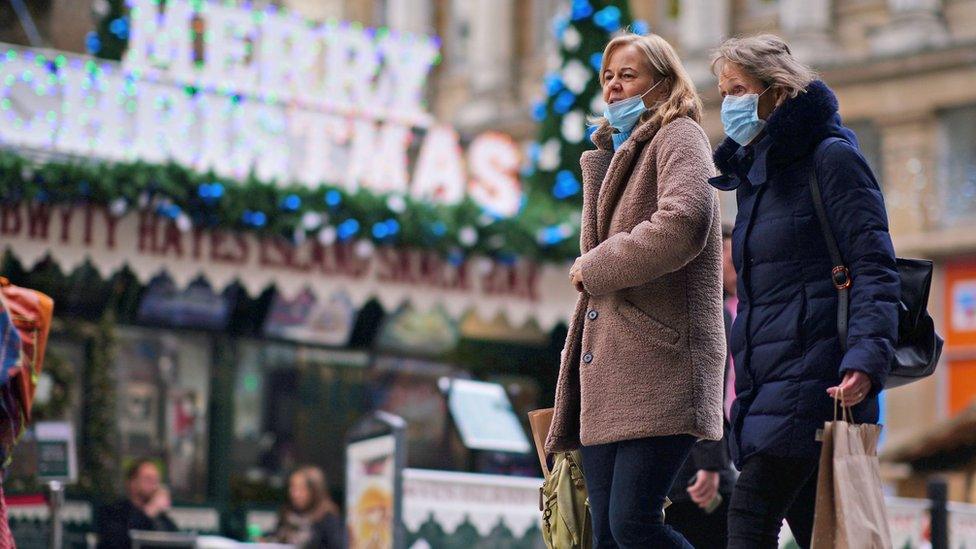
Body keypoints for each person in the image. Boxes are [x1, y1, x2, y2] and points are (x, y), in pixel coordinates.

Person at [708, 34, 899, 548]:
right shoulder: (757, 176)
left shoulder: (831, 158)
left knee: (749, 521)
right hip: (769, 382)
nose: (730, 103)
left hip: (816, 376)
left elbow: (875, 265)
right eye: (724, 91)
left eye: (739, 88)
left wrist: (865, 356)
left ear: (777, 91)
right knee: (822, 533)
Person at [545, 31, 726, 548]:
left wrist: (593, 266)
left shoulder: (678, 135)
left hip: (660, 364)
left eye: (629, 75)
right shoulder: (615, 153)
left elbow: (682, 222)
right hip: (610, 377)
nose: (615, 88)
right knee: (606, 535)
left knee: (633, 524)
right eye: (608, 77)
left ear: (663, 84)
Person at [665, 228, 738, 549]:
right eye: (725, 255)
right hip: (698, 466)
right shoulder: (710, 310)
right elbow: (707, 388)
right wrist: (711, 463)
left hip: (684, 464)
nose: (731, 264)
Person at [96, 459, 179, 549]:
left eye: (156, 480)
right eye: (148, 479)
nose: (154, 485)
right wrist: (150, 510)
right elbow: (118, 541)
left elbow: (178, 541)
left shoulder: (161, 519)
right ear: (132, 483)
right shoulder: (113, 512)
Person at [271, 466, 345, 548]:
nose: (295, 494)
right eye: (293, 487)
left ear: (314, 491)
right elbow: (276, 538)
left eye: (301, 489)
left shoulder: (328, 519)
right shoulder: (287, 514)